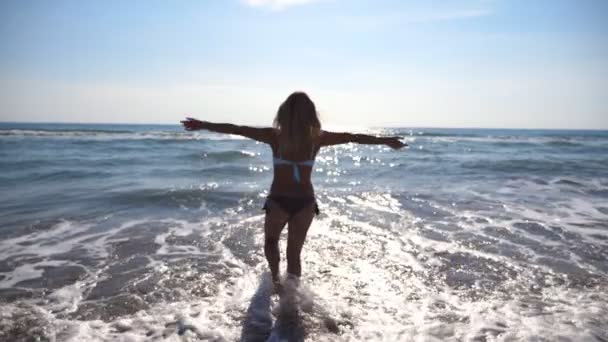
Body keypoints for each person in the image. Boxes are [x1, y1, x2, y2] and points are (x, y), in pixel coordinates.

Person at [181, 91, 406, 290]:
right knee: (294, 254)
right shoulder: (318, 138)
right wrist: (385, 141)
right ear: (311, 114)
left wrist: (203, 124)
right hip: (305, 204)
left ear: (284, 113)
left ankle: (276, 282)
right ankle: (292, 299)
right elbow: (353, 138)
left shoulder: (274, 136)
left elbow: (237, 130)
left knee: (270, 242)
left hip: (278, 201)